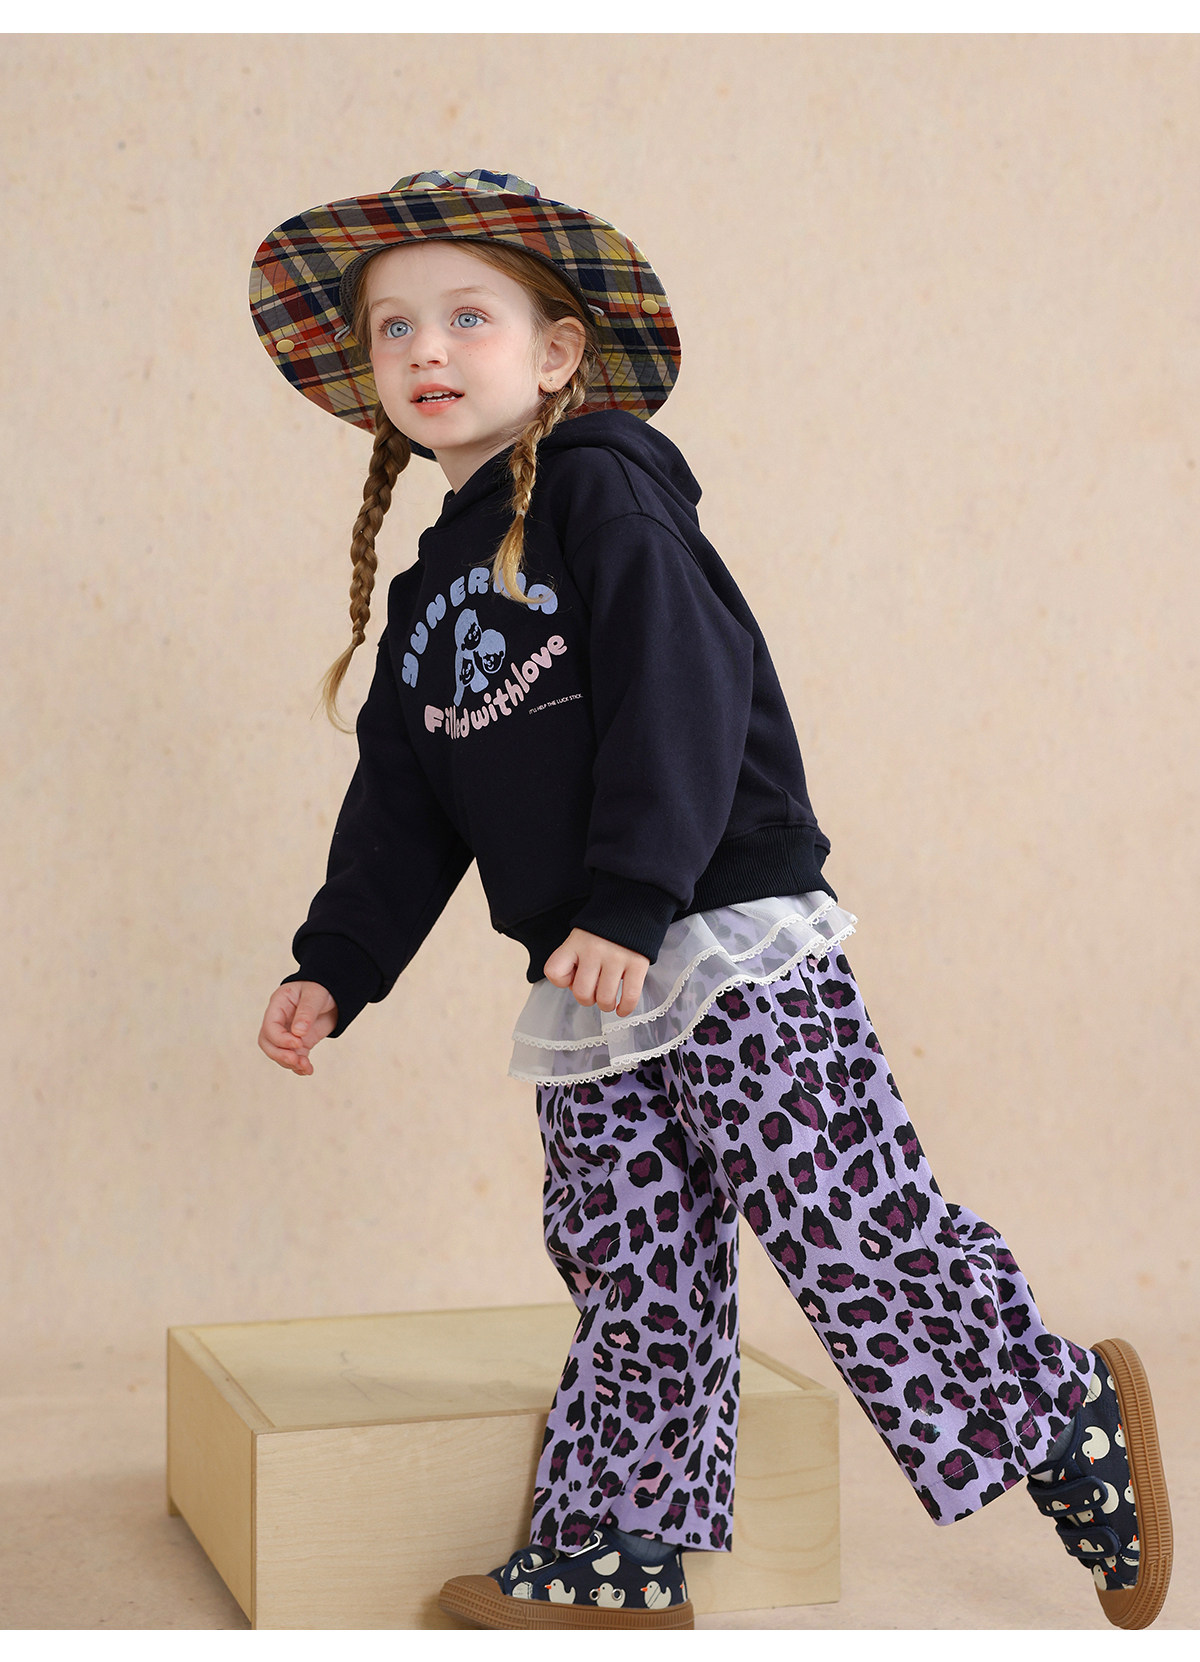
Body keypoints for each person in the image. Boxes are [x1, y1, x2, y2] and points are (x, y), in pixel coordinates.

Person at [250, 169, 1172, 1631]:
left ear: (557, 352)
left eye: (469, 317)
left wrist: (634, 897)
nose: (427, 351)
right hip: (589, 969)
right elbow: (401, 812)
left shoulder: (603, 489)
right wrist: (336, 963)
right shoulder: (428, 599)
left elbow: (685, 689)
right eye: (394, 329)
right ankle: (617, 1547)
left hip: (715, 932)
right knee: (630, 1258)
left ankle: (1061, 1411)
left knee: (837, 1213)